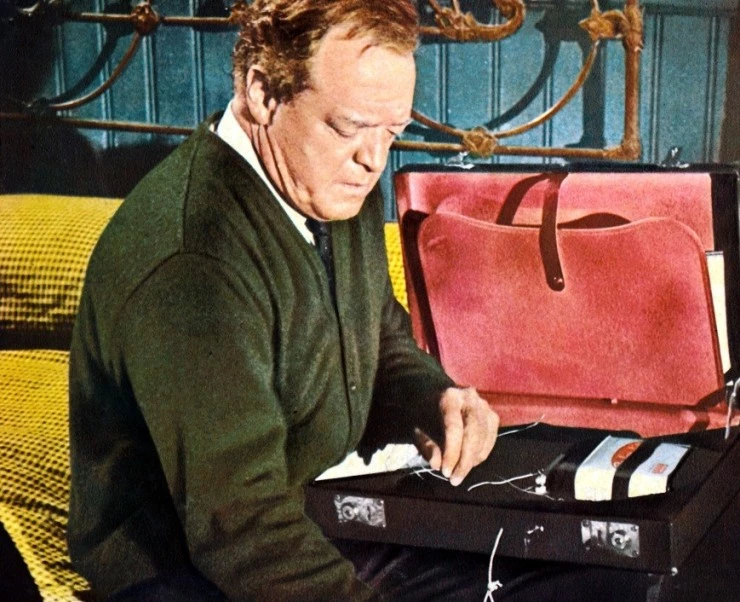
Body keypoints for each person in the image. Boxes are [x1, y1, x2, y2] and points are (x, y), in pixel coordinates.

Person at [67, 1, 499, 600]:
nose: (374, 159)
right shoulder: (197, 261)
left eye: (392, 131)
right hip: (184, 568)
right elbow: (241, 528)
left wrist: (431, 396)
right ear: (263, 93)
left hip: (303, 515)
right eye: (348, 127)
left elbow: (375, 330)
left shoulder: (327, 181)